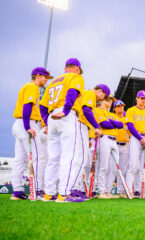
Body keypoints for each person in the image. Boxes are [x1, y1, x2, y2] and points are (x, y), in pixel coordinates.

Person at [39, 58, 85, 202]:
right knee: (68, 156)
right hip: (67, 115)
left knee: (53, 158)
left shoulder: (53, 82)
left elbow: (42, 105)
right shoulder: (75, 77)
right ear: (77, 68)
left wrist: (47, 122)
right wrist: (65, 111)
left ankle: (49, 193)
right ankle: (63, 194)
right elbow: (72, 92)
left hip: (53, 116)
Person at [11, 67, 52, 200]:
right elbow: (27, 106)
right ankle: (39, 190)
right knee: (39, 157)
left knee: (19, 160)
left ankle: (17, 191)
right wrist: (28, 126)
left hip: (19, 124)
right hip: (26, 123)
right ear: (38, 76)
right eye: (45, 77)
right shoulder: (32, 87)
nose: (46, 80)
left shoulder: (28, 86)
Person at [74, 84, 110, 199]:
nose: (102, 99)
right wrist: (96, 126)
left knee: (81, 159)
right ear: (100, 91)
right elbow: (86, 111)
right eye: (103, 96)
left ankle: (76, 188)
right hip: (79, 124)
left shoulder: (88, 94)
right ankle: (75, 188)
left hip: (81, 126)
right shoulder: (90, 93)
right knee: (80, 160)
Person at [94, 95, 123, 199]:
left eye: (111, 100)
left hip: (114, 140)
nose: (110, 102)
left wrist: (112, 122)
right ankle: (101, 191)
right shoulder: (99, 111)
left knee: (113, 168)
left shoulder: (112, 114)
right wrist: (113, 123)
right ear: (103, 100)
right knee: (104, 167)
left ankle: (108, 190)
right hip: (104, 138)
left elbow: (121, 125)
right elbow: (105, 124)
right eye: (108, 100)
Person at [125, 90, 145, 198]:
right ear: (137, 98)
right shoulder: (131, 110)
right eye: (141, 98)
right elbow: (130, 126)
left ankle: (140, 191)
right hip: (136, 139)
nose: (143, 100)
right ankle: (128, 191)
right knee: (133, 166)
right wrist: (141, 138)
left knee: (144, 168)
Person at [113, 100, 131, 198]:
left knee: (123, 169)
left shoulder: (126, 119)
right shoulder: (112, 117)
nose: (121, 108)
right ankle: (107, 190)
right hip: (114, 144)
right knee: (111, 168)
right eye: (119, 106)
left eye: (122, 106)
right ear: (115, 108)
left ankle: (120, 191)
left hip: (125, 145)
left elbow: (130, 132)